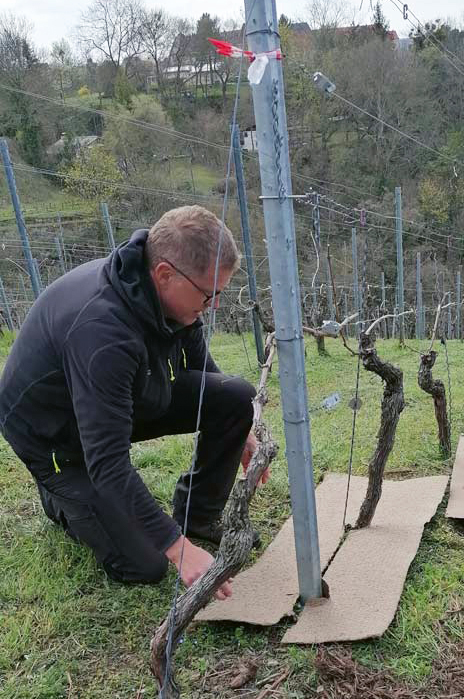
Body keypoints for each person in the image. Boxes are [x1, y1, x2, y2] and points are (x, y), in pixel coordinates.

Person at [0, 205, 268, 600]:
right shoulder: (101, 332)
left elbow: (207, 375)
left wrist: (237, 425)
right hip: (56, 437)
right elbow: (107, 461)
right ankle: (61, 498)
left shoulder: (172, 297)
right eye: (208, 295)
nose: (211, 307)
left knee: (236, 395)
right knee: (146, 564)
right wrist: (178, 550)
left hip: (115, 398)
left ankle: (197, 516)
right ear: (164, 274)